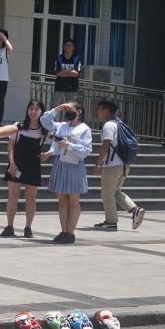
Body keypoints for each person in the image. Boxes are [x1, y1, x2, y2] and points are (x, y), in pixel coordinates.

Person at [0, 100, 49, 238]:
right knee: (12, 196)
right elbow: (10, 145)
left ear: (42, 112)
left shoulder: (45, 130)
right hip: (16, 164)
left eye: (36, 109)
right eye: (31, 108)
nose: (33, 111)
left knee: (31, 197)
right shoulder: (18, 126)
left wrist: (48, 154)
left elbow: (58, 143)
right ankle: (9, 226)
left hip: (33, 165)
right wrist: (12, 163)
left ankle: (28, 227)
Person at [42, 102, 92, 244]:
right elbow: (45, 121)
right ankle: (64, 231)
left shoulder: (85, 129)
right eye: (67, 110)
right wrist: (58, 108)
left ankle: (71, 232)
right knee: (62, 200)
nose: (68, 112)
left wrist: (68, 145)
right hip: (61, 163)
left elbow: (86, 150)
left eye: (71, 109)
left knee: (73, 200)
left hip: (75, 165)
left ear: (79, 111)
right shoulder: (62, 126)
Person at [95, 98, 145, 231]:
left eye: (99, 108)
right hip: (124, 164)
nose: (97, 111)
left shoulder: (108, 125)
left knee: (107, 194)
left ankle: (111, 222)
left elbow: (106, 145)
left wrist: (98, 165)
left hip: (112, 165)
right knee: (116, 192)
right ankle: (135, 209)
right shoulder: (120, 123)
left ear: (106, 110)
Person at [52, 39, 82, 109]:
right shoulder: (59, 58)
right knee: (55, 107)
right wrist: (70, 72)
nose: (68, 47)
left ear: (73, 47)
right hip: (59, 87)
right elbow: (57, 73)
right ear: (63, 46)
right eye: (66, 45)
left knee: (71, 108)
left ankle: (69, 117)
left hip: (72, 87)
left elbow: (76, 73)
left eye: (70, 45)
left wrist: (64, 72)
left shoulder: (77, 59)